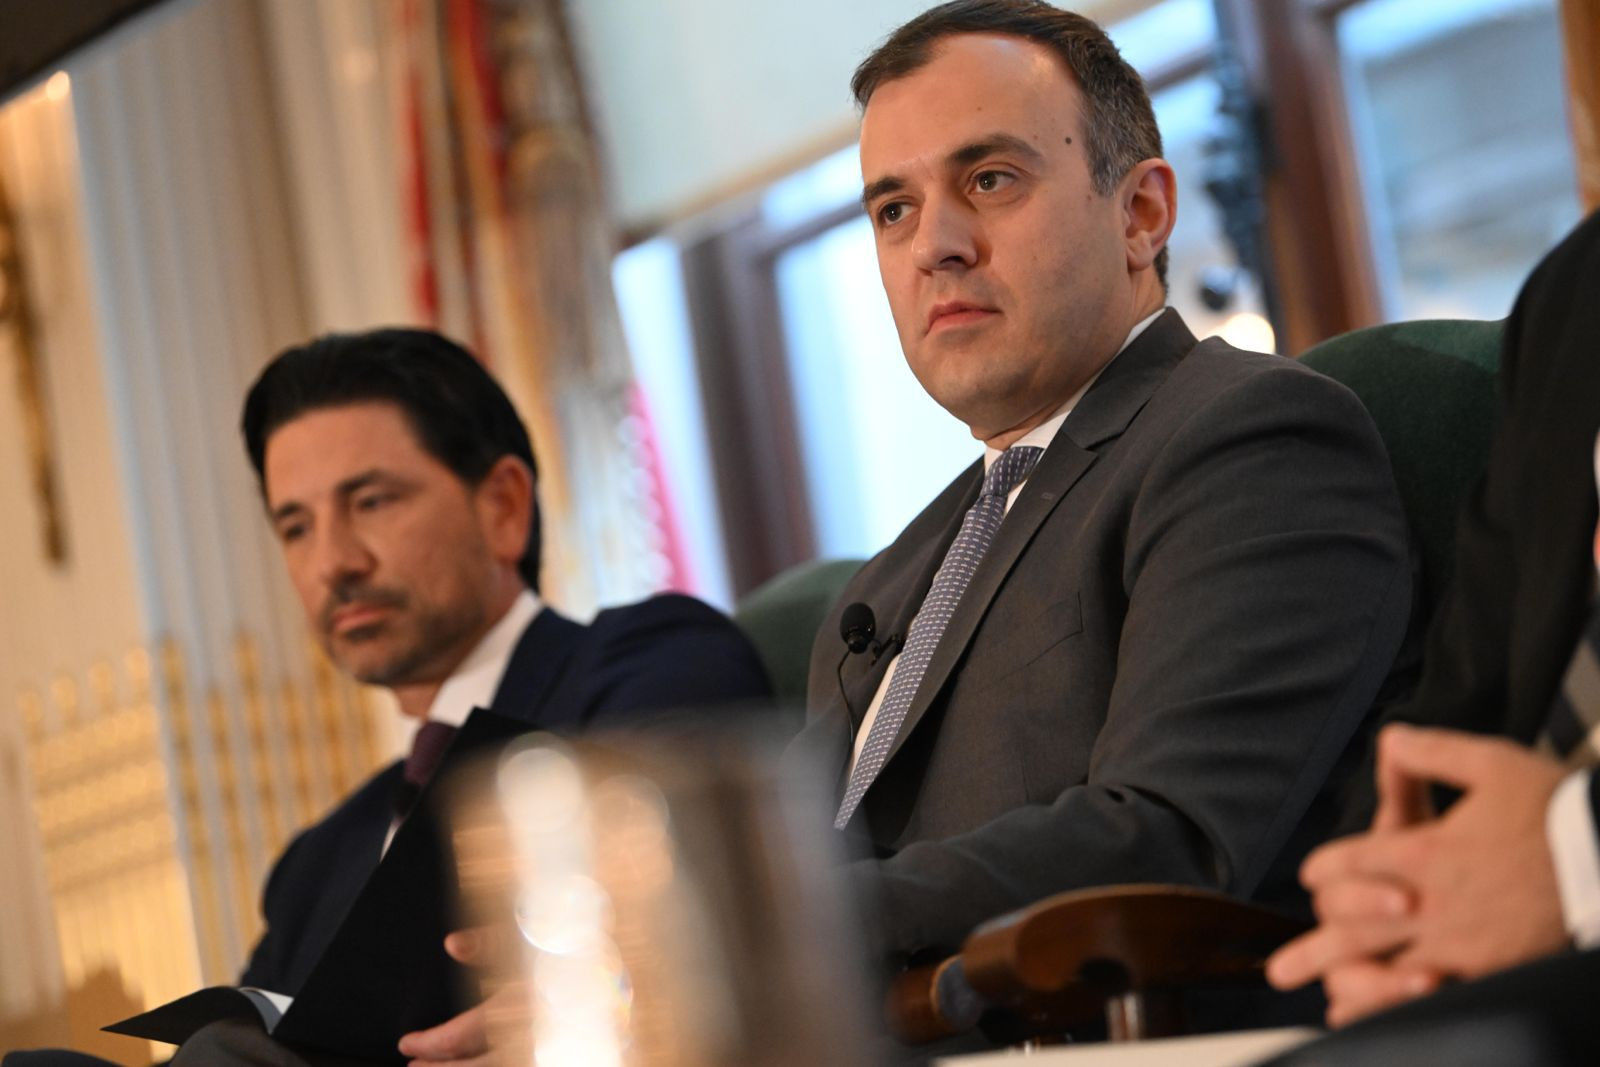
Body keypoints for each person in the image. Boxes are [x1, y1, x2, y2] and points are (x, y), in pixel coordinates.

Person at [789, 0, 1417, 981]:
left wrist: (776, 923)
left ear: (1141, 213)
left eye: (989, 179)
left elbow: (1167, 833)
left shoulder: (1247, 437)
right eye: (893, 209)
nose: (933, 245)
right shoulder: (887, 581)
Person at [4, 328, 771, 1066]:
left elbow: (688, 941)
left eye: (370, 501)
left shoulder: (648, 661)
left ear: (504, 507)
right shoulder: (315, 865)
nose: (332, 562)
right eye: (295, 527)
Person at [1261, 211, 1600, 1061]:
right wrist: (1392, 914)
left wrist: (1575, 854)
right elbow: (1464, 682)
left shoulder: (1246, 436)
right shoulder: (1575, 289)